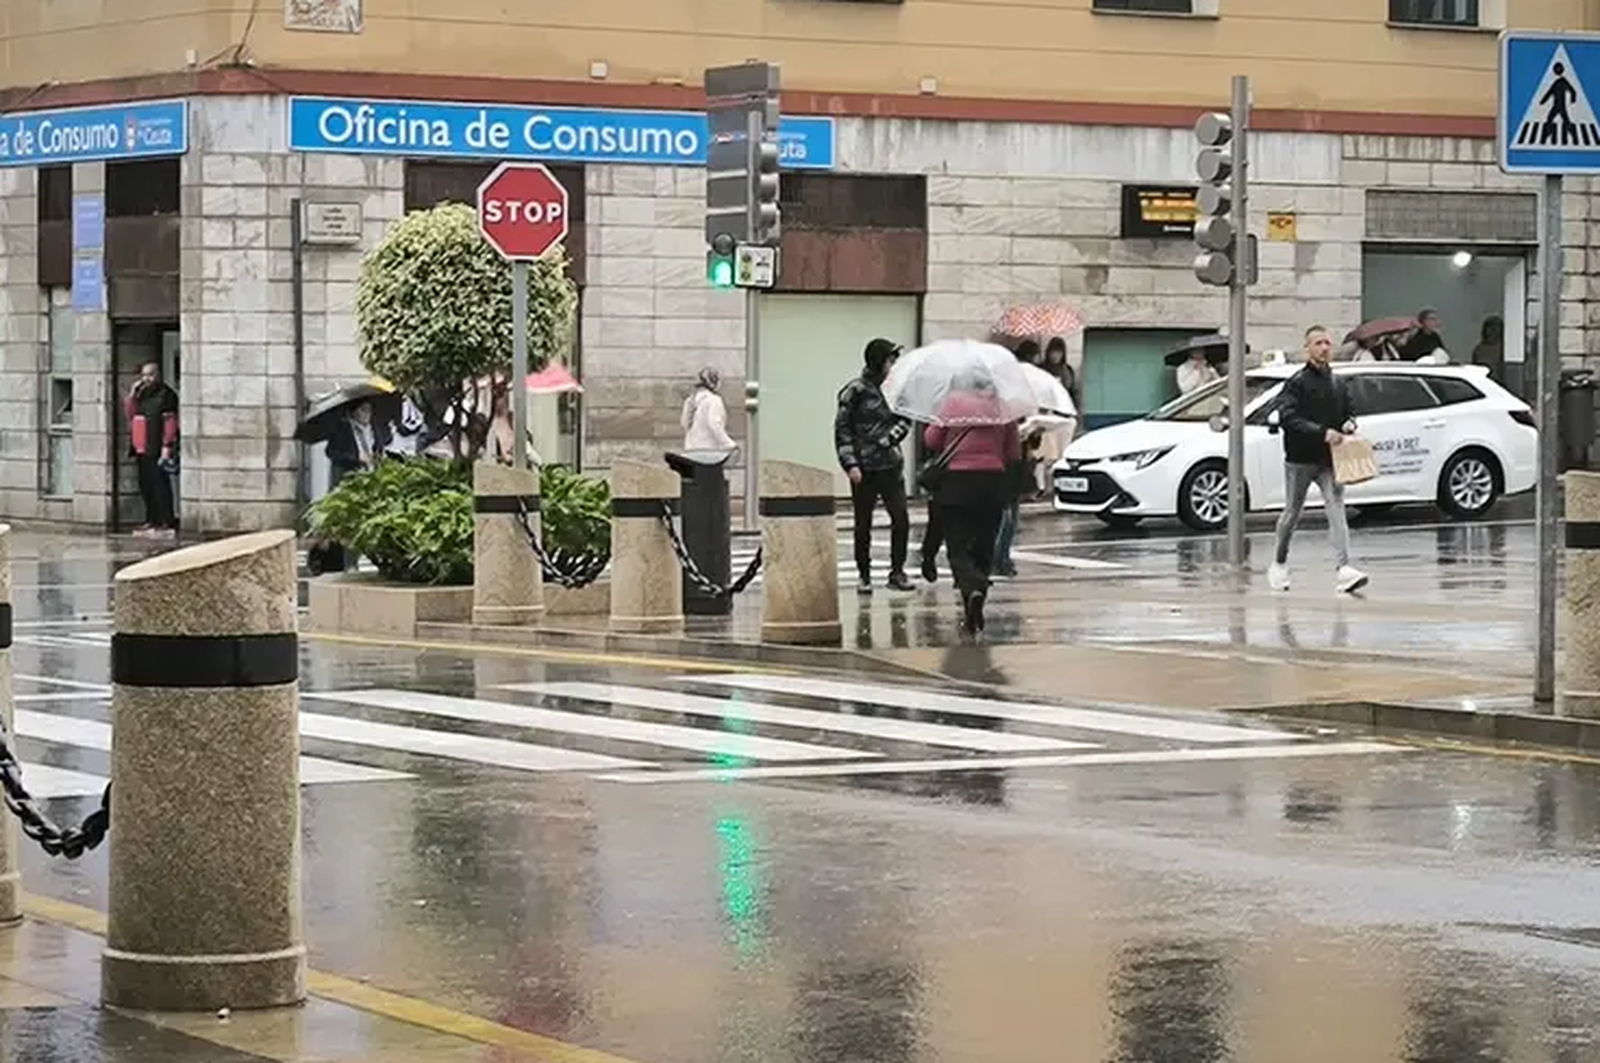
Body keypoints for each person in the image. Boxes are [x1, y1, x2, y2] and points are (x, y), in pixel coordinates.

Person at [1267, 325, 1369, 595]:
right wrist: (1321, 432)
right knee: (1292, 513)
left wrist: (1348, 424)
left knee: (1336, 510)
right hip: (1300, 459)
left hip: (1330, 460)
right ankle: (1278, 563)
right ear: (1308, 348)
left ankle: (1344, 568)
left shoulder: (1337, 382)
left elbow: (1349, 411)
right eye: (1318, 343)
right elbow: (1288, 417)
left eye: (1327, 343)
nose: (1324, 348)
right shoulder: (1297, 383)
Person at [925, 369, 1019, 635]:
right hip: (992, 483)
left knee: (958, 546)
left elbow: (931, 439)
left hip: (957, 484)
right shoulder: (1003, 408)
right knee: (984, 546)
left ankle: (973, 586)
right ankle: (974, 606)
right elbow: (1013, 451)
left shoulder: (953, 404)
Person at [835, 338, 913, 593]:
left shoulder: (896, 389)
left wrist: (890, 439)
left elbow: (905, 420)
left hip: (890, 465)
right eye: (891, 360)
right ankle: (864, 574)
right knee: (863, 523)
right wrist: (850, 464)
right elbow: (842, 429)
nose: (894, 365)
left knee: (900, 518)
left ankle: (897, 571)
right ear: (879, 361)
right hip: (864, 469)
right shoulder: (855, 391)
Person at [125, 362, 179, 538]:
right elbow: (131, 413)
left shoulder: (166, 395)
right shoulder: (141, 394)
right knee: (145, 484)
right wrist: (132, 395)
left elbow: (170, 422)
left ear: (158, 375)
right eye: (144, 375)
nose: (146, 379)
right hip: (141, 446)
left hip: (157, 445)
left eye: (150, 375)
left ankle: (166, 520)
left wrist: (167, 446)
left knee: (159, 485)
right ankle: (152, 519)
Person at [681, 366, 737, 451]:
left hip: (690, 451)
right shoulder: (714, 400)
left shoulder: (689, 401)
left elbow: (684, 424)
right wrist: (730, 444)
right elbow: (715, 425)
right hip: (709, 452)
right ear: (714, 382)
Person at [1471, 316, 1506, 384]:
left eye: (1495, 327)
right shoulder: (1479, 349)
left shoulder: (1505, 348)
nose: (1492, 330)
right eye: (1489, 327)